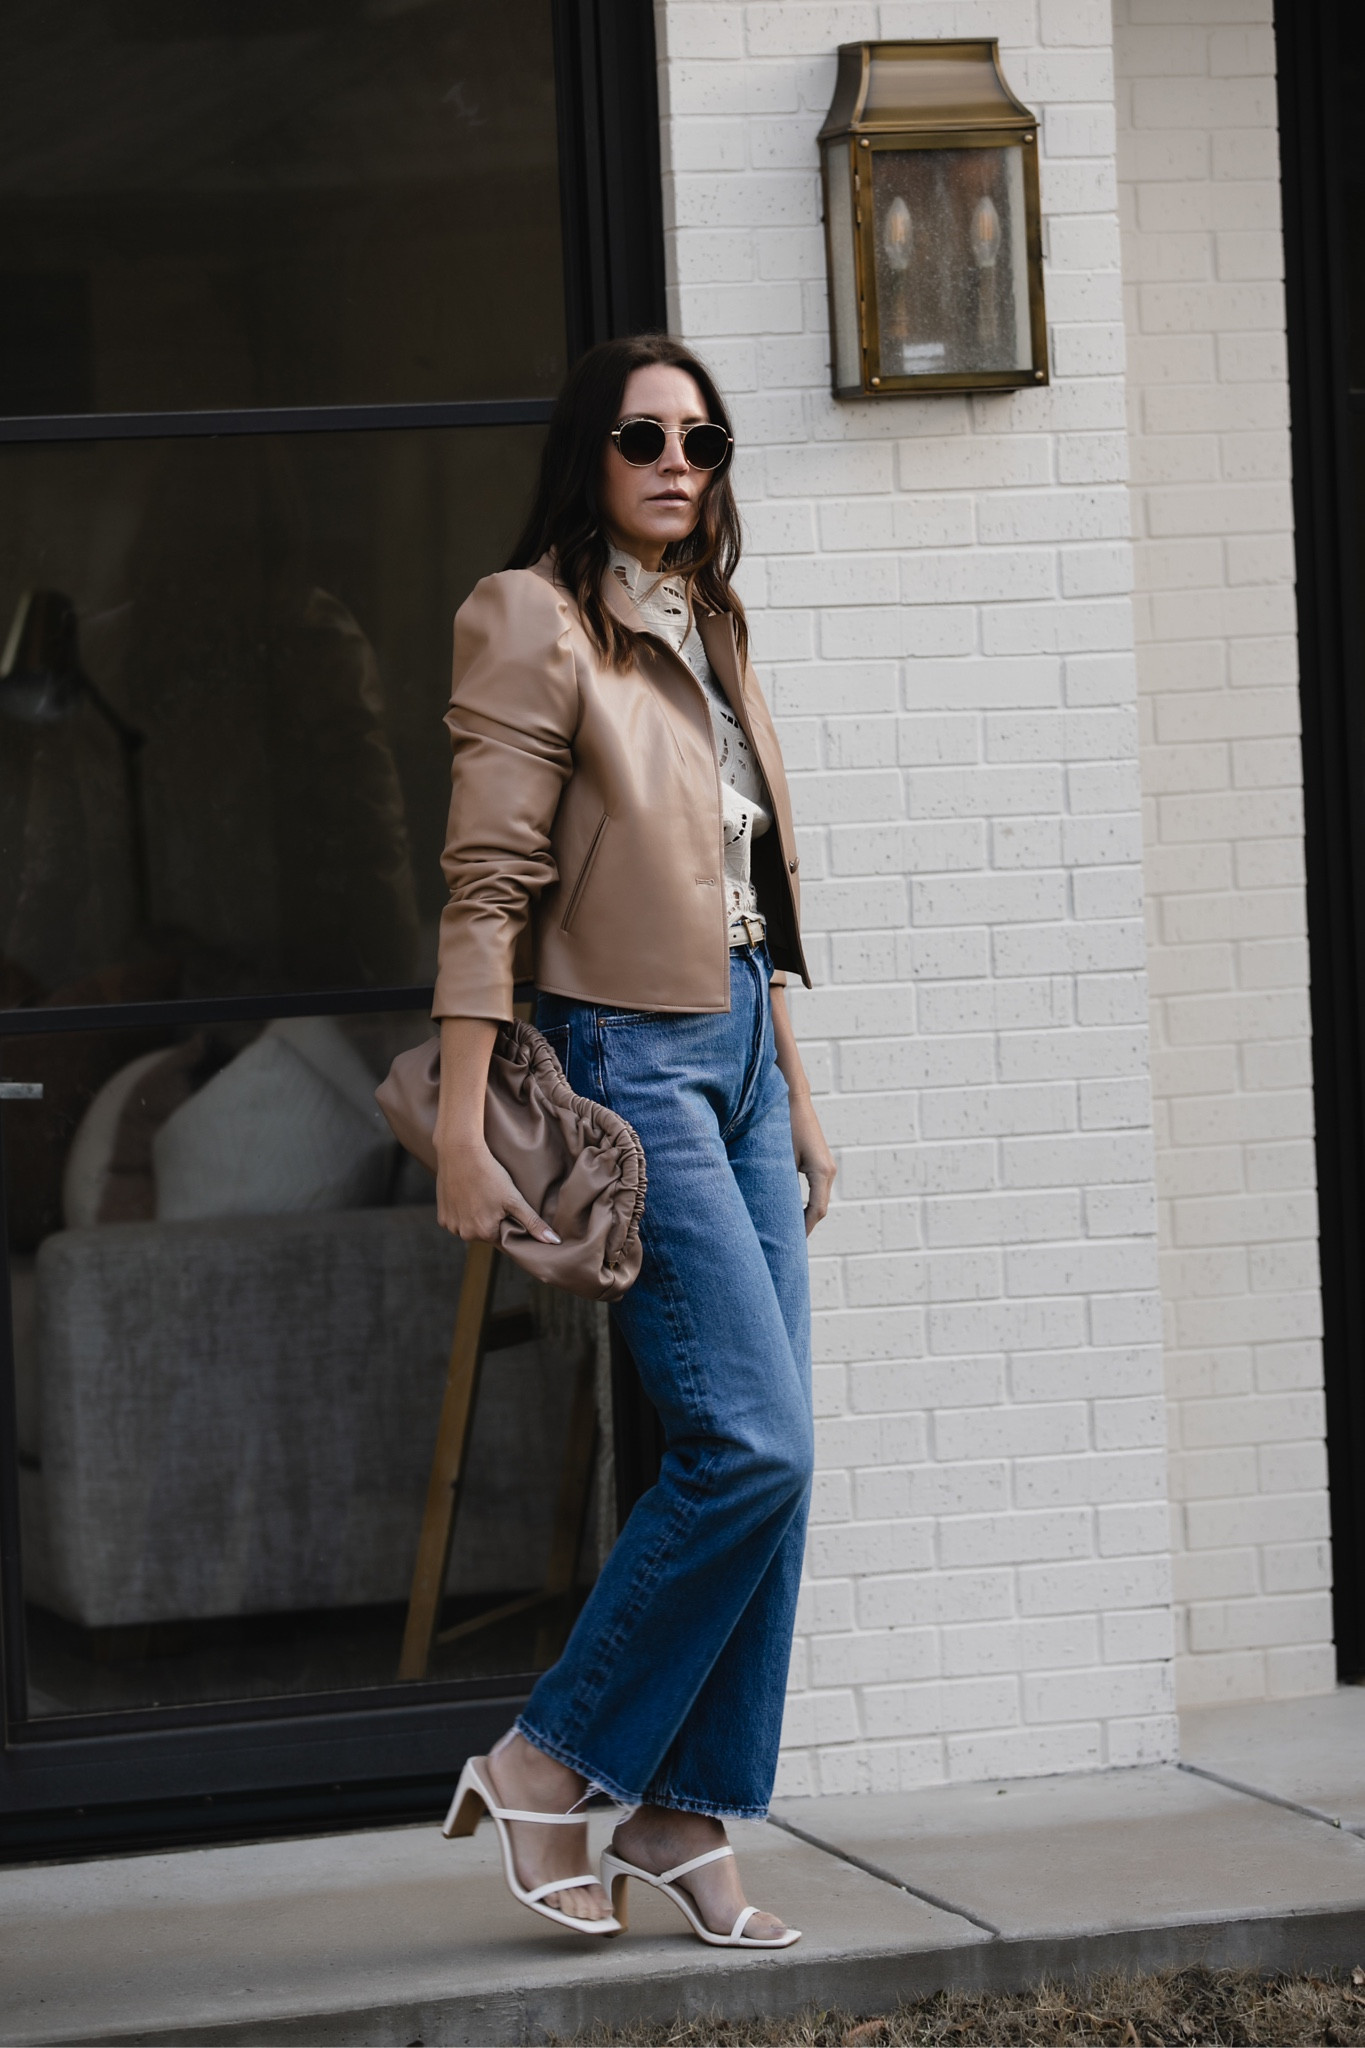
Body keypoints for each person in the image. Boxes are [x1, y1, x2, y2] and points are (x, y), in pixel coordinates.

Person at [432, 334, 836, 1949]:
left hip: (735, 1053)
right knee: (752, 1442)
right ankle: (543, 1763)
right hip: (626, 1059)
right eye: (643, 436)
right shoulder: (530, 616)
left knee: (768, 1461)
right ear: (586, 456)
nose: (678, 463)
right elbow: (486, 886)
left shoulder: (710, 621)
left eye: (702, 440)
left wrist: (793, 1083)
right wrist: (461, 1124)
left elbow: (755, 898)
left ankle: (683, 1812)